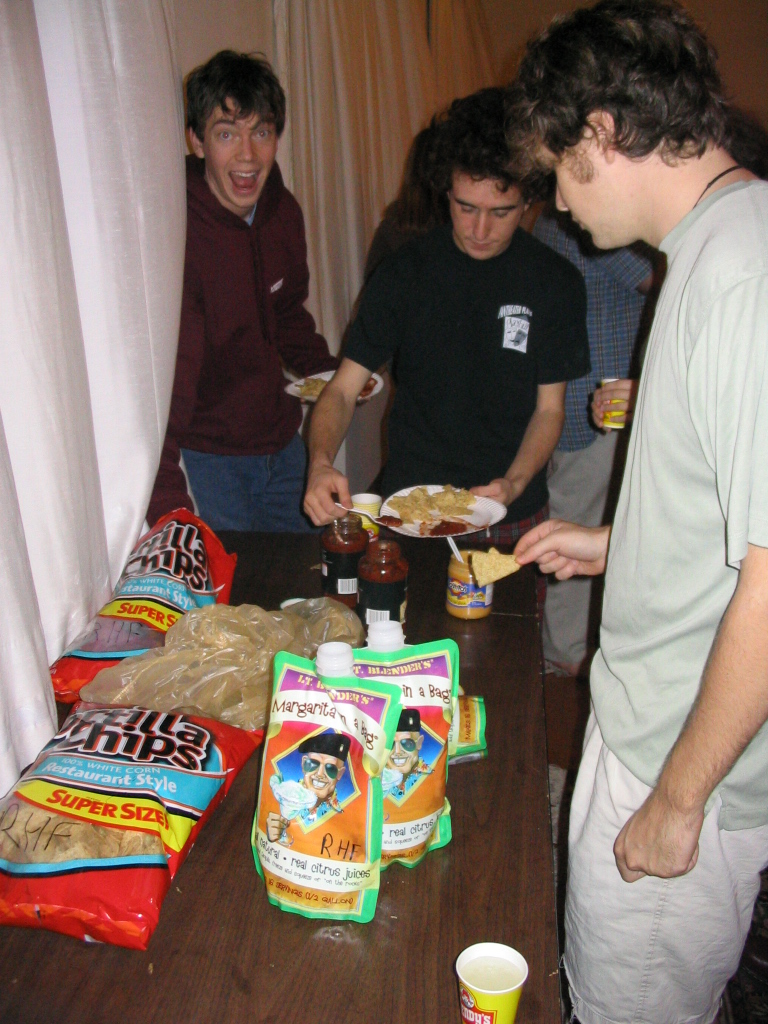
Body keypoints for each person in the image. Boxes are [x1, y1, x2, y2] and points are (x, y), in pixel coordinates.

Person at [506, 2, 768, 1021]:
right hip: (648, 727)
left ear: (604, 131)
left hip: (679, 757)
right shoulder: (713, 245)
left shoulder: (744, 276)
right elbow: (729, 521)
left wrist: (678, 799)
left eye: (561, 171)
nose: (562, 205)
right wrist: (620, 543)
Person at [304, 88, 590, 617]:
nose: (480, 230)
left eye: (501, 212)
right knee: (400, 641)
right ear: (446, 192)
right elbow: (342, 391)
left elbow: (550, 410)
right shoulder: (404, 273)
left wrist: (513, 483)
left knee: (505, 652)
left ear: (530, 200)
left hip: (510, 515)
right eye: (466, 208)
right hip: (410, 515)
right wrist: (321, 462)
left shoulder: (555, 283)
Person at [147, 50, 337, 533]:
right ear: (197, 141)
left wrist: (331, 375)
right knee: (238, 581)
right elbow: (167, 378)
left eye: (262, 132)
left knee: (311, 570)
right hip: (210, 459)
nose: (248, 155)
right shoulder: (178, 231)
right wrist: (167, 499)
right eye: (227, 133)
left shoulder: (281, 211)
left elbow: (287, 312)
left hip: (282, 443)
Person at [532, 208, 656, 676]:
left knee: (577, 532)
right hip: (598, 407)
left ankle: (562, 658)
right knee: (577, 536)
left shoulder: (555, 221)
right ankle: (565, 666)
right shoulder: (586, 221)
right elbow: (658, 279)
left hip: (590, 403)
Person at [266, 732, 350, 842]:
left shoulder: (345, 816)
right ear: (304, 763)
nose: (320, 774)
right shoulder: (284, 794)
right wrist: (272, 833)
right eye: (313, 764)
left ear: (340, 774)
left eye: (330, 769)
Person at [382, 709, 431, 799]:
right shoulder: (376, 780)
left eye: (407, 744)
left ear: (419, 743)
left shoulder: (429, 779)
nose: (397, 751)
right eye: (390, 744)